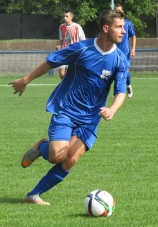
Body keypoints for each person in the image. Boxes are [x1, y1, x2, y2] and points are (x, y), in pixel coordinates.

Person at [10, 9, 128, 205]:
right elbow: (51, 61)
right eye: (119, 27)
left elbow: (121, 92)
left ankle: (33, 195)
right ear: (106, 29)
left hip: (90, 119)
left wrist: (113, 109)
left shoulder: (119, 60)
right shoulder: (82, 49)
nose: (123, 31)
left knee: (71, 159)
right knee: (57, 155)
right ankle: (43, 146)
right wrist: (25, 80)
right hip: (67, 110)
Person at [114, 4, 136, 98]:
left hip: (125, 52)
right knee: (115, 72)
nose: (118, 13)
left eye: (119, 11)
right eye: (116, 11)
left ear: (123, 12)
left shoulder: (127, 23)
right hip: (114, 51)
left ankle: (128, 85)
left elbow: (133, 36)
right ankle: (117, 93)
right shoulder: (112, 24)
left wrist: (133, 48)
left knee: (125, 71)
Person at [56, 10, 86, 79]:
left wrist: (81, 51)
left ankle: (72, 86)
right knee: (62, 74)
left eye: (67, 16)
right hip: (64, 52)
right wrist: (59, 47)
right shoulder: (61, 27)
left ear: (71, 17)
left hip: (74, 52)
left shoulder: (77, 27)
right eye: (64, 16)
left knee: (73, 73)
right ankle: (68, 85)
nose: (65, 18)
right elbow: (61, 40)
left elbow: (83, 40)